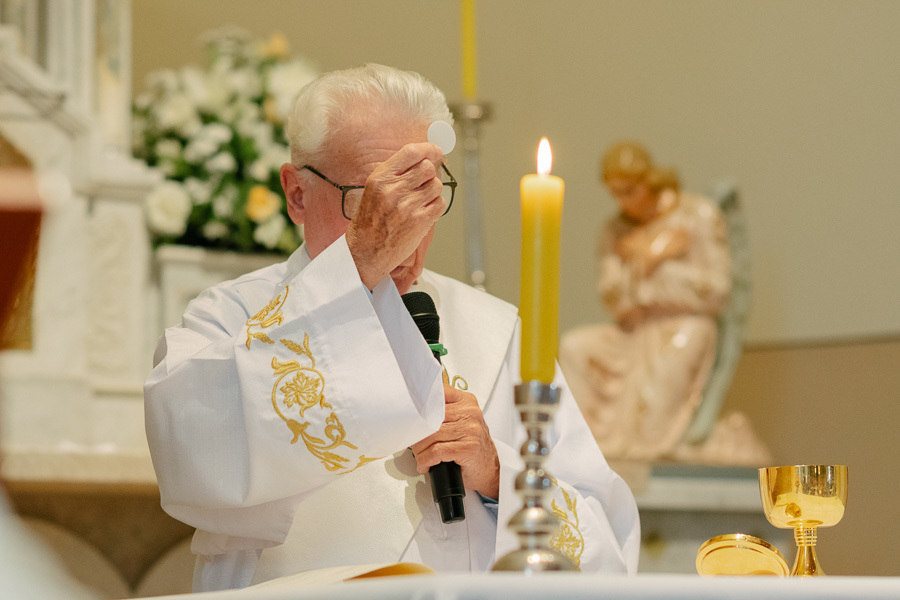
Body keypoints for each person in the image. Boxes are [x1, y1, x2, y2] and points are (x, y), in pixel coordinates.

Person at [144, 64, 639, 592]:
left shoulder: (496, 330)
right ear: (296, 194)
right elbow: (193, 460)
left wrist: (495, 473)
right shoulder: (228, 316)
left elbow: (604, 540)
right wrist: (358, 264)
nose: (402, 235)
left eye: (421, 197)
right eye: (371, 201)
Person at [559, 142, 731, 461]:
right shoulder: (615, 230)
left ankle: (639, 455)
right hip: (633, 330)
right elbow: (613, 297)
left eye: (629, 191)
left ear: (650, 182)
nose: (623, 201)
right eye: (614, 193)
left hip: (685, 325)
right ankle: (582, 455)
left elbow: (717, 290)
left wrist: (654, 263)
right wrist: (651, 256)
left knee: (651, 406)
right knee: (575, 348)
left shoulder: (698, 215)